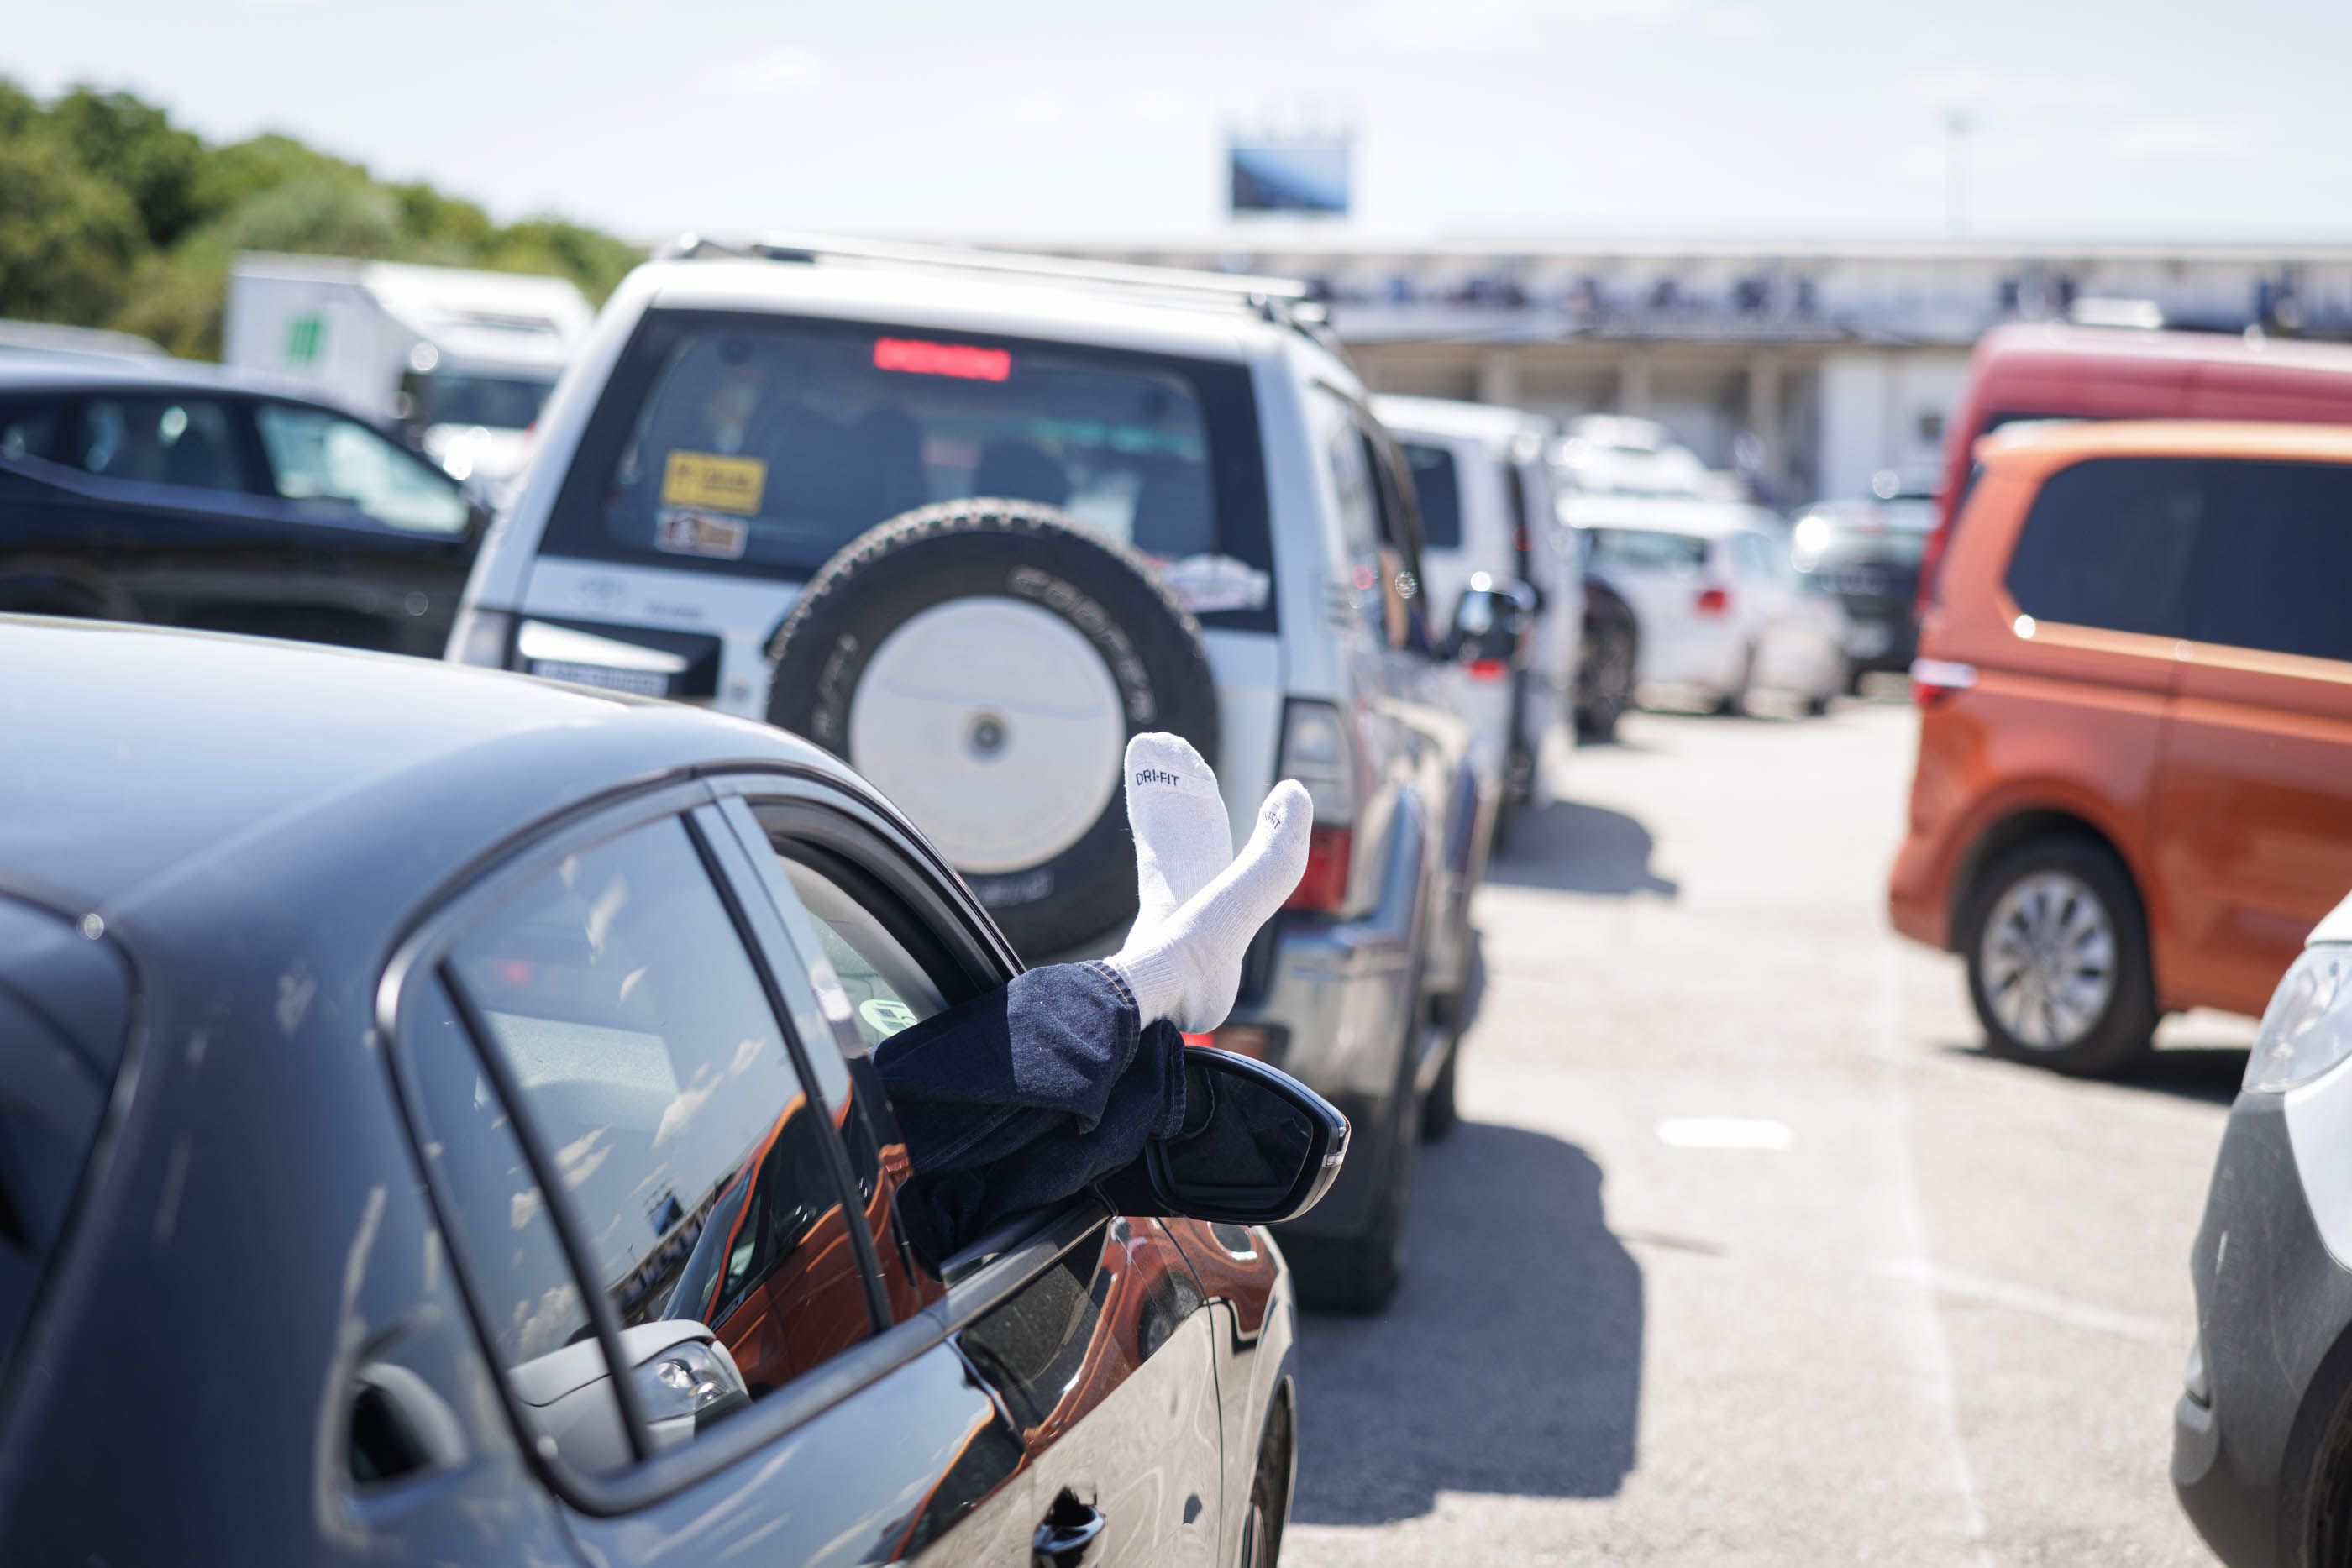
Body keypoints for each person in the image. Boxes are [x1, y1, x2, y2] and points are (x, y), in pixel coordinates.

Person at [873, 734, 1311, 1256]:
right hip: (825, 1224)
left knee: (936, 1179)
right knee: (877, 1116)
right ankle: (1164, 968)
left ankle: (1166, 967)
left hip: (841, 1240)